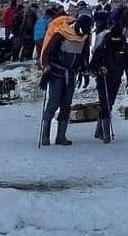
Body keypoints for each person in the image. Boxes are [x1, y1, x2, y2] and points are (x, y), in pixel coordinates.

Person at [39, 12, 92, 146]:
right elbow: (47, 52)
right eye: (81, 31)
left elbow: (84, 54)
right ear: (77, 26)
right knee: (54, 103)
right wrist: (46, 67)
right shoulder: (61, 34)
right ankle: (45, 135)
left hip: (71, 74)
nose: (81, 35)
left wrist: (85, 69)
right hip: (57, 72)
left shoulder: (84, 37)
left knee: (66, 105)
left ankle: (61, 136)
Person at [91, 18, 128, 143]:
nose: (116, 41)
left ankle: (99, 130)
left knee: (110, 104)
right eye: (114, 38)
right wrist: (100, 68)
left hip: (116, 79)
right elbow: (93, 64)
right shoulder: (104, 46)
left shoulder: (123, 46)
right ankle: (106, 134)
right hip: (103, 79)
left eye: (118, 39)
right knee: (105, 104)